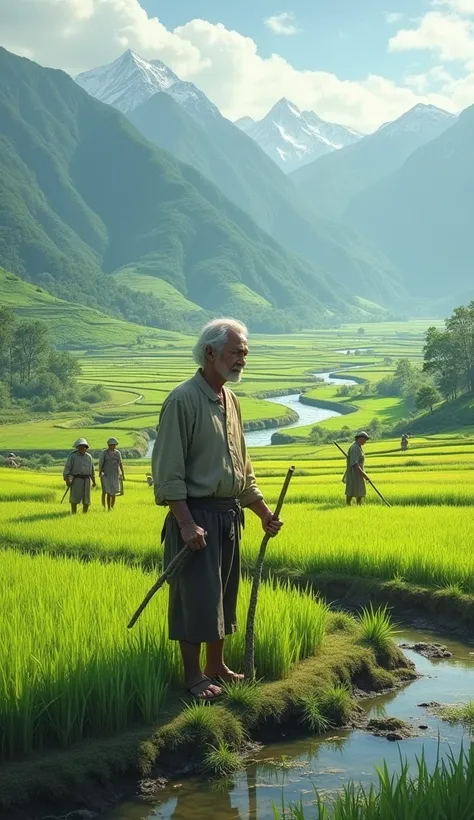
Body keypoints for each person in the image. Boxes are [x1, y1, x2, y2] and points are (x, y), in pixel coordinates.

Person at [152, 318, 283, 702]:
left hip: (228, 517)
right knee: (195, 597)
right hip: (196, 517)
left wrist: (262, 512)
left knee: (223, 595)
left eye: (245, 353)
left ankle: (217, 666)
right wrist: (186, 523)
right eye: (236, 352)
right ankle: (193, 676)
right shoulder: (183, 400)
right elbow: (168, 471)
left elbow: (243, 469)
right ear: (210, 353)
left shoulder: (231, 400)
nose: (243, 359)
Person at [63, 438, 96, 515]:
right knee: (74, 498)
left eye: (84, 447)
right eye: (80, 447)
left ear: (86, 448)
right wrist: (67, 479)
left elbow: (92, 470)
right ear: (77, 448)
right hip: (76, 479)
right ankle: (73, 513)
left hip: (87, 480)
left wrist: (94, 481)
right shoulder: (72, 456)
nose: (82, 448)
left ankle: (85, 514)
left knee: (86, 499)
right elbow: (67, 468)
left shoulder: (89, 457)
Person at [343, 431, 370, 506]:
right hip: (354, 472)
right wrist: (364, 475)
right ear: (360, 438)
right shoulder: (355, 448)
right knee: (352, 490)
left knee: (359, 491)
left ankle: (358, 505)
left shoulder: (358, 447)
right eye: (365, 439)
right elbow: (355, 464)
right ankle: (349, 505)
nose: (365, 441)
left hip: (358, 472)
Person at [99, 437, 125, 510]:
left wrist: (122, 474)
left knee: (114, 492)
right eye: (111, 445)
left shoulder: (118, 453)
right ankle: (107, 507)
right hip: (106, 475)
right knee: (107, 492)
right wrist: (100, 473)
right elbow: (101, 464)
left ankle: (112, 506)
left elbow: (120, 464)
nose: (112, 446)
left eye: (114, 445)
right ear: (108, 445)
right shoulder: (104, 453)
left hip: (115, 475)